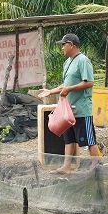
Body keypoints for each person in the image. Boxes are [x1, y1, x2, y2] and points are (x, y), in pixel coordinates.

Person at [37, 33, 102, 173]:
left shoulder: (83, 60)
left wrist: (69, 89)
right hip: (68, 110)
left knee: (89, 140)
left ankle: (96, 167)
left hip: (82, 109)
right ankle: (66, 167)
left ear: (71, 45)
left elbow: (89, 82)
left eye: (63, 44)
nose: (62, 48)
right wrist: (51, 91)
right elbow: (66, 85)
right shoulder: (67, 62)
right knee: (69, 139)